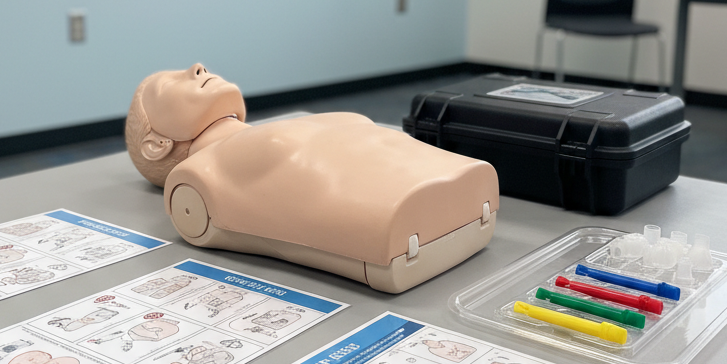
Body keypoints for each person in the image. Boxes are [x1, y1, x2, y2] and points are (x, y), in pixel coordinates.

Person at [125, 65, 499, 291]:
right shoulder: (200, 174)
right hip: (407, 227)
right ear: (156, 145)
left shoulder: (269, 133)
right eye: (169, 83)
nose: (197, 68)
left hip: (441, 193)